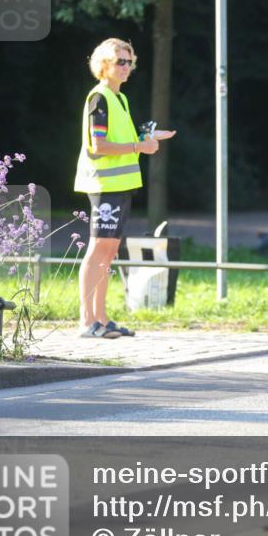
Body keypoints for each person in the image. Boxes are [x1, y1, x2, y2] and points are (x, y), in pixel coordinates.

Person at [73, 38, 175, 338]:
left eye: (130, 61)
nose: (126, 67)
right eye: (120, 61)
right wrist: (139, 146)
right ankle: (87, 321)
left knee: (108, 252)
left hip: (121, 186)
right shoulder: (99, 98)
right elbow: (99, 145)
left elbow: (124, 139)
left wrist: (147, 137)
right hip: (104, 185)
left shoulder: (120, 98)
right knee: (97, 250)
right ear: (104, 64)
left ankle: (102, 319)